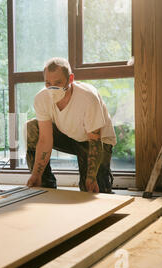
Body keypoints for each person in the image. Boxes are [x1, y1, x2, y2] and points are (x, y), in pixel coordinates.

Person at [26, 57, 116, 193]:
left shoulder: (87, 98)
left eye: (58, 82)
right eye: (48, 83)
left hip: (96, 141)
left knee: (91, 191)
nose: (52, 88)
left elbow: (95, 140)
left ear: (71, 79)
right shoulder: (42, 98)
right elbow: (45, 139)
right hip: (70, 135)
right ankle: (44, 185)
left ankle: (100, 182)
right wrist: (36, 174)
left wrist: (91, 178)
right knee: (32, 127)